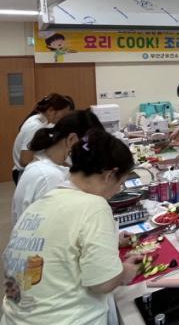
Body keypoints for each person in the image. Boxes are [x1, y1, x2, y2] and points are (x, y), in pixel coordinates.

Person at [2, 129, 141, 325]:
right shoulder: (94, 205)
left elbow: (59, 248)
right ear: (110, 175)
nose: (118, 190)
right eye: (121, 182)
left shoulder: (42, 203)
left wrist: (110, 242)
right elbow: (103, 282)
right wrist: (126, 271)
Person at [11, 110, 103, 225]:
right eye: (88, 147)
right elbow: (57, 228)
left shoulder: (42, 162)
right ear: (72, 139)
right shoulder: (50, 178)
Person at [11, 93, 74, 184]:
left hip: (31, 169)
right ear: (51, 111)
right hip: (24, 172)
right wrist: (53, 165)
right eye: (64, 114)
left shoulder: (40, 120)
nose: (64, 118)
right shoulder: (35, 126)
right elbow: (24, 161)